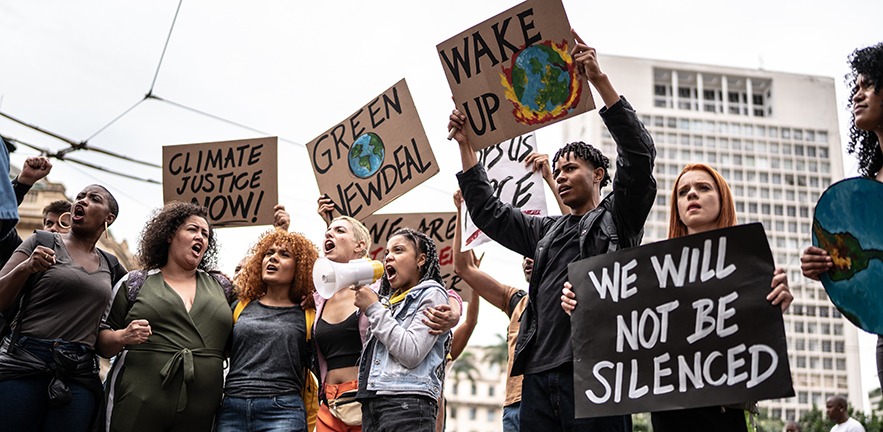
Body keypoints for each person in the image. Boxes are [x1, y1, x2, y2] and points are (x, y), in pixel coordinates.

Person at [450, 30, 655, 431]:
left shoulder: (619, 220)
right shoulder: (544, 232)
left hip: (596, 372)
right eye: (556, 171)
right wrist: (465, 145)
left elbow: (639, 156)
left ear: (598, 175)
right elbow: (489, 213)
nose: (560, 177)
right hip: (538, 378)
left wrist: (599, 80)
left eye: (571, 169)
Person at [562, 163, 791, 431]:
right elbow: (617, 329)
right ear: (677, 209)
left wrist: (774, 305)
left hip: (724, 413)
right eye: (683, 192)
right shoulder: (650, 275)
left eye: (703, 188)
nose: (691, 195)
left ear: (722, 199)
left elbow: (753, 344)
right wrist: (582, 302)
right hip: (669, 415)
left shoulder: (750, 267)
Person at [312, 199, 462, 432]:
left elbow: (440, 291)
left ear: (361, 246)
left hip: (370, 397)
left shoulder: (379, 289)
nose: (389, 256)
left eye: (340, 231)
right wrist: (331, 224)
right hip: (336, 403)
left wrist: (454, 310)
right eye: (328, 233)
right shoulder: (319, 297)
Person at [0, 184, 123, 432]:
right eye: (80, 196)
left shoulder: (112, 266)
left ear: (108, 218)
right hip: (25, 363)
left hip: (77, 374)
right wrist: (25, 268)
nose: (83, 200)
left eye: (93, 198)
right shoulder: (42, 240)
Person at [100, 202, 231, 432]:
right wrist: (123, 336)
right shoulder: (134, 283)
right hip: (136, 405)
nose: (200, 236)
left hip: (200, 413)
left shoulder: (223, 288)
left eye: (205, 234)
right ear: (170, 235)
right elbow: (101, 343)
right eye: (192, 229)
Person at [801, 42, 883, 391]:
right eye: (855, 87)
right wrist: (827, 264)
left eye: (866, 85)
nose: (856, 94)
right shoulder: (870, 185)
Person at [215, 229, 318, 432]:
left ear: (300, 268)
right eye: (269, 253)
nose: (273, 258)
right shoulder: (240, 306)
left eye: (284, 254)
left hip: (283, 410)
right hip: (232, 408)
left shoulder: (309, 314)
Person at [354, 228, 451, 431]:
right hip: (375, 401)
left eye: (398, 250)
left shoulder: (432, 294)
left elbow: (411, 352)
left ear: (421, 260)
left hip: (407, 405)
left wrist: (374, 309)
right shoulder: (387, 301)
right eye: (387, 252)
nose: (389, 257)